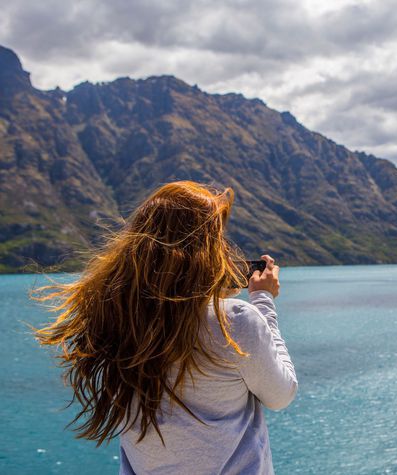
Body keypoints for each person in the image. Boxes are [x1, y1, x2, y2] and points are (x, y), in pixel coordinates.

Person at [31, 181, 298, 475]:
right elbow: (280, 394)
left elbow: (178, 314)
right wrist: (262, 301)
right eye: (217, 239)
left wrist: (211, 295)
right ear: (203, 250)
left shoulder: (119, 317)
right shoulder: (236, 320)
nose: (223, 248)